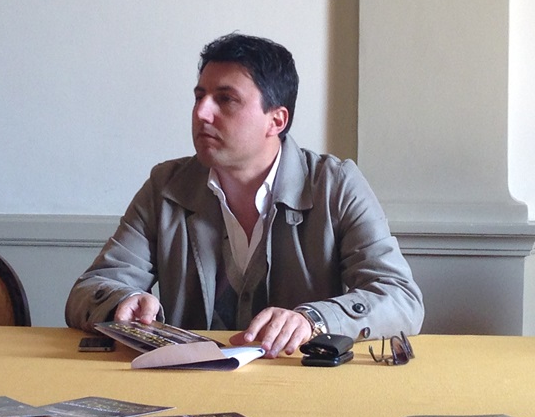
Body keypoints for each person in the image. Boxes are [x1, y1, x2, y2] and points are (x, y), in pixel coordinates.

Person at [65, 33, 424, 359]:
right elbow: (90, 288)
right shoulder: (167, 186)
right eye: (199, 97)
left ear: (276, 120)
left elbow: (401, 298)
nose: (201, 112)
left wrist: (314, 319)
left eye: (226, 99)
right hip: (188, 386)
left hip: (299, 385)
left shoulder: (335, 184)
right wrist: (124, 300)